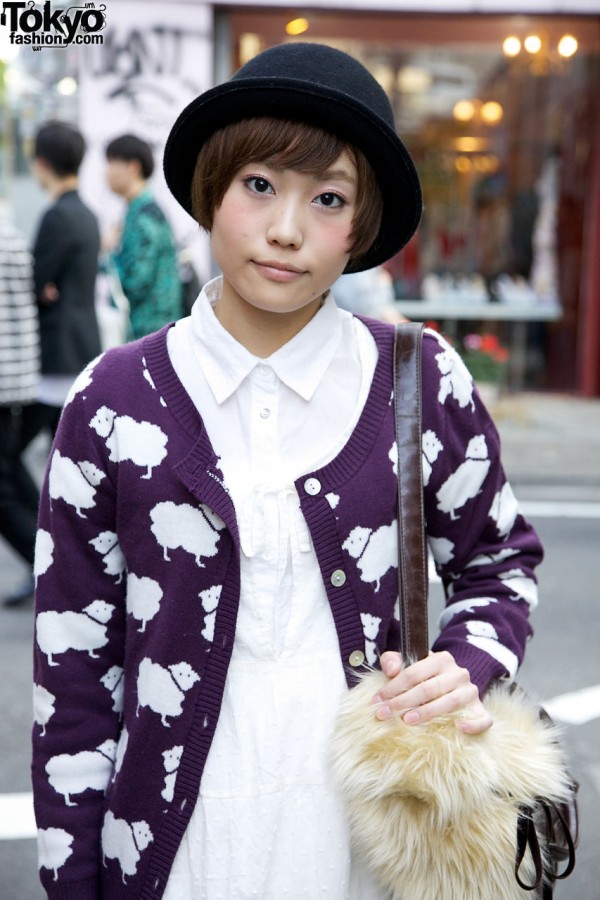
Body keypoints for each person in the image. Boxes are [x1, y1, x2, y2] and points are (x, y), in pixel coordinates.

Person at [32, 43, 543, 899]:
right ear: (212, 190)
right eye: (259, 186)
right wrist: (73, 879)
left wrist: (466, 661)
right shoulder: (114, 399)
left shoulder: (420, 377)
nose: (286, 230)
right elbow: (73, 673)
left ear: (361, 228)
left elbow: (500, 561)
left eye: (329, 199)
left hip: (360, 855)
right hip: (173, 861)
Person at [29, 120, 102, 441]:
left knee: (11, 455)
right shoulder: (87, 214)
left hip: (57, 349)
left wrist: (41, 289)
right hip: (80, 343)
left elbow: (36, 282)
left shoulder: (56, 215)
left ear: (41, 163)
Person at [105, 134, 183, 338]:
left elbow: (136, 281)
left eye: (112, 163)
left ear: (133, 167)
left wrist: (107, 254)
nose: (107, 173)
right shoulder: (140, 211)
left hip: (148, 334)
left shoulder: (144, 216)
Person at [0, 210, 40, 607]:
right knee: (10, 474)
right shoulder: (11, 236)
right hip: (15, 378)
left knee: (3, 491)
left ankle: (49, 562)